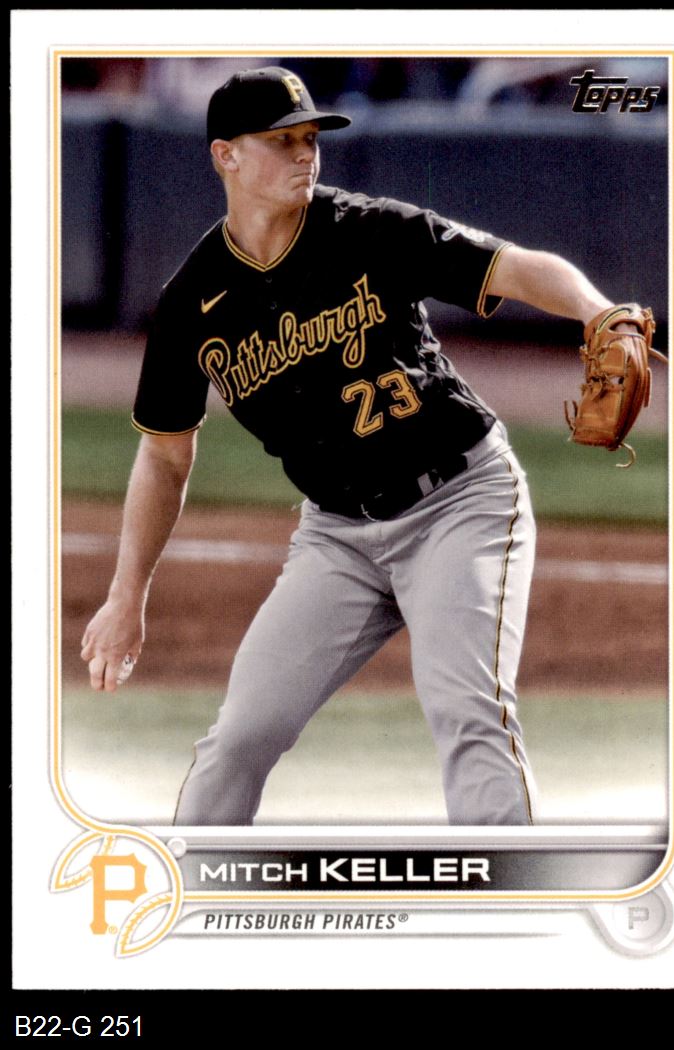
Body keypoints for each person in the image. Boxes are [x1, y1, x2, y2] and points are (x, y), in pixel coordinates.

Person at [81, 66, 629, 826]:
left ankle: (509, 889)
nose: (305, 153)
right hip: (337, 535)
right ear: (224, 156)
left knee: (468, 710)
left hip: (460, 504)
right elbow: (165, 456)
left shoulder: (367, 229)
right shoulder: (191, 303)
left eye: (310, 138)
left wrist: (600, 313)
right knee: (240, 736)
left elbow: (512, 265)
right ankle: (193, 883)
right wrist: (125, 596)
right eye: (282, 141)